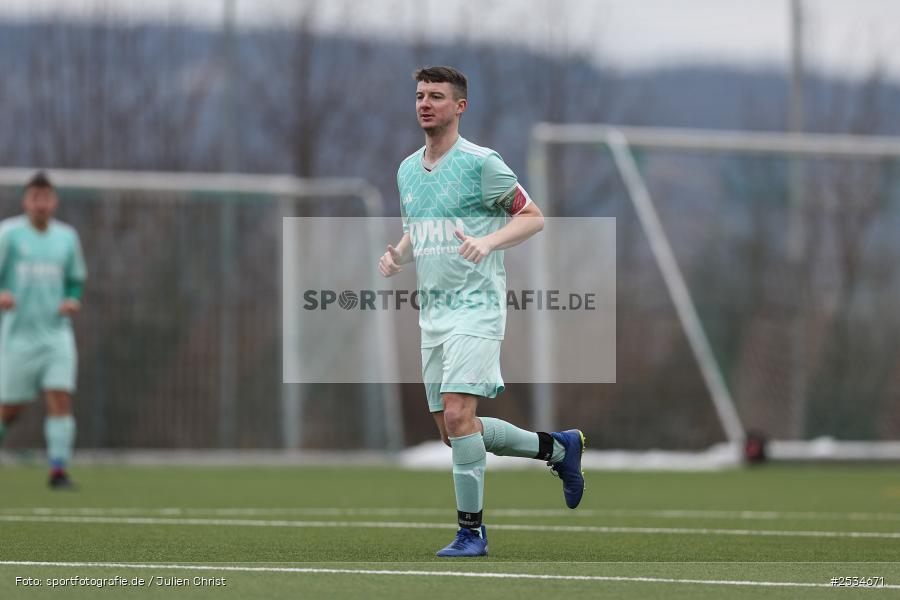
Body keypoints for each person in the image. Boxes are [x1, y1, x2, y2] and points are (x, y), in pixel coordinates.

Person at [378, 66, 585, 557]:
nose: (425, 104)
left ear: (460, 107)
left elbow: (532, 217)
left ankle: (471, 533)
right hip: (433, 314)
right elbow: (420, 228)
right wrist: (398, 256)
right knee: (454, 432)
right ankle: (558, 448)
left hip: (478, 308)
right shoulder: (407, 169)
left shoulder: (482, 163)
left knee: (457, 413)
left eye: (436, 96)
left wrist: (487, 241)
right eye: (419, 96)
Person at [0, 171, 86, 489]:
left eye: (46, 197)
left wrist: (72, 300)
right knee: (9, 410)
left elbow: (76, 280)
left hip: (56, 334)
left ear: (55, 201)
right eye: (35, 197)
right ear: (26, 200)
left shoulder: (67, 237)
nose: (41, 204)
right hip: (17, 336)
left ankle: (58, 471)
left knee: (60, 397)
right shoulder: (8, 234)